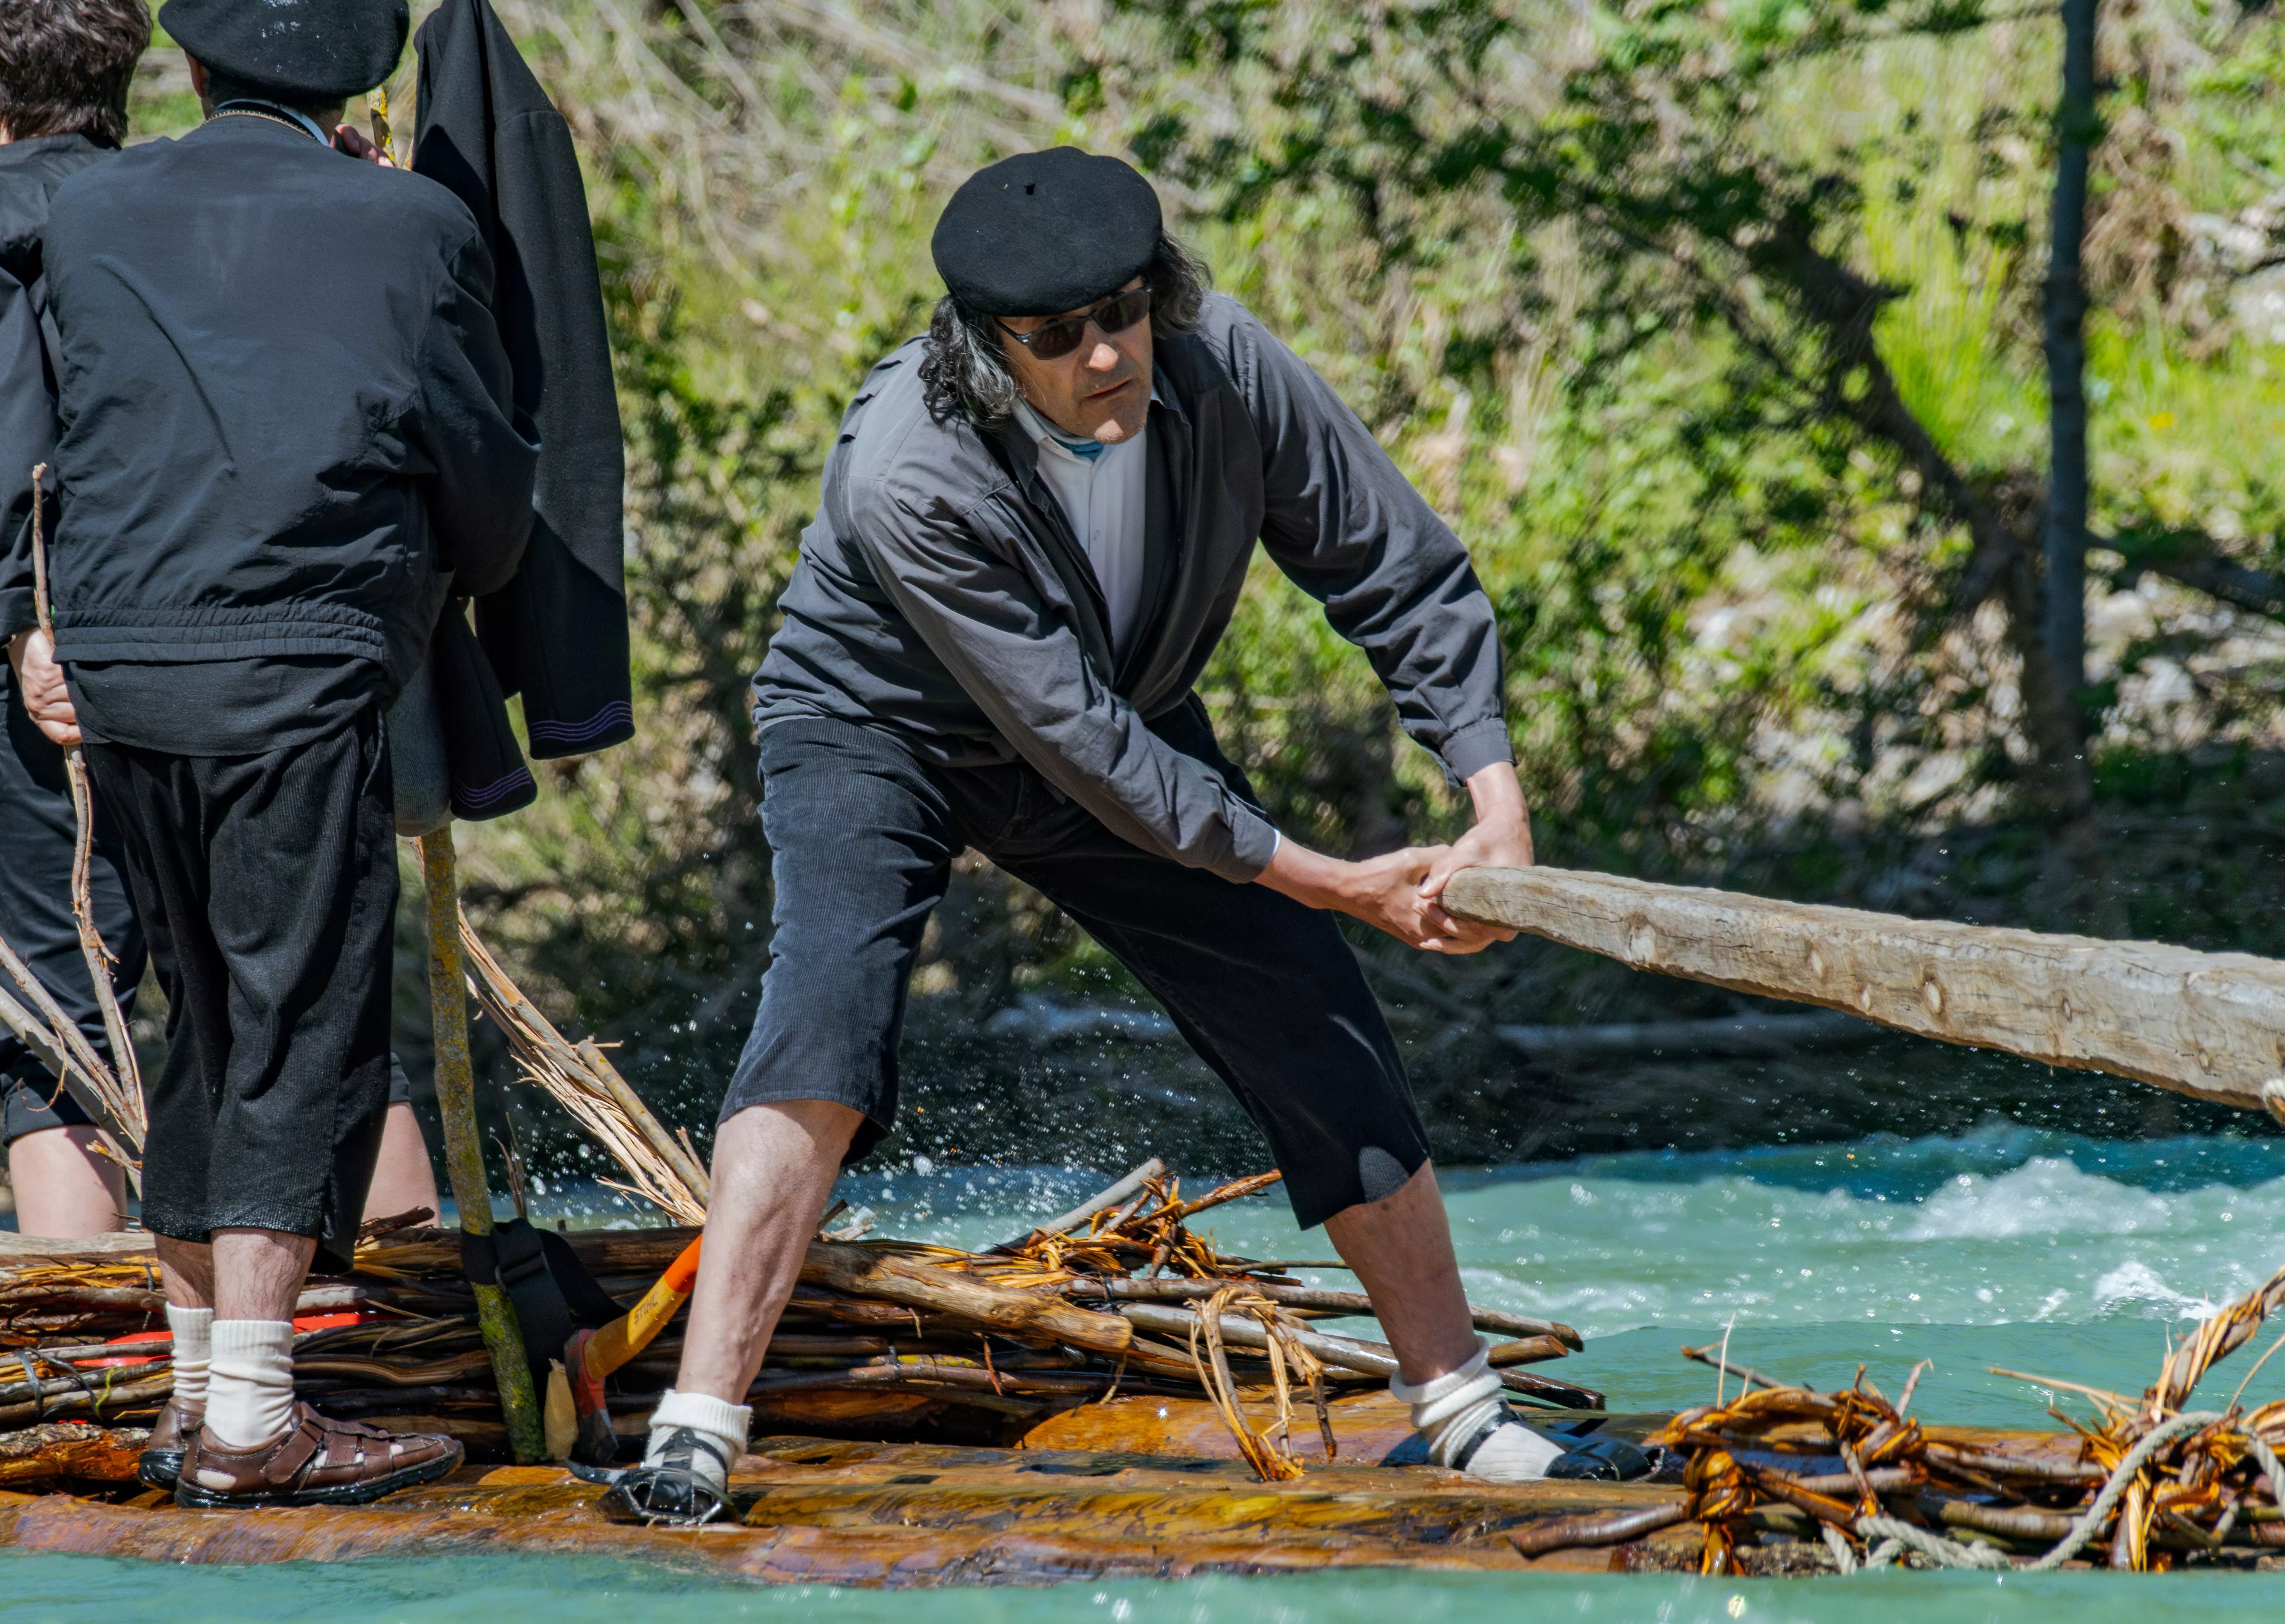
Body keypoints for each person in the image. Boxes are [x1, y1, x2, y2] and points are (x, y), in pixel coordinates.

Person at [609, 148, 1567, 1525]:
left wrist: (1497, 811)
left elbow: (1391, 567)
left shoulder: (1225, 366)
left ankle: (1465, 1409)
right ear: (989, 351)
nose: (1106, 354)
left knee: (1310, 1009)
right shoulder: (907, 470)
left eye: (1125, 311)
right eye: (1058, 337)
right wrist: (1337, 879)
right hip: (885, 728)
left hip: (1118, 708)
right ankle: (696, 1432)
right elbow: (1095, 759)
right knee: (825, 1014)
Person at [30, 0, 536, 1506]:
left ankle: (197, 1397)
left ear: (192, 68)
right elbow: (489, 490)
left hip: (120, 665)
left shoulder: (90, 205)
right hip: (294, 667)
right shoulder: (414, 223)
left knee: (207, 1012)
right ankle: (257, 1419)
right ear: (358, 87)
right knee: (299, 1021)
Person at [0, 0, 443, 1240]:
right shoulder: (171, 199)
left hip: (85, 663)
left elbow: (0, 447)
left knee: (60, 1007)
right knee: (301, 985)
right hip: (258, 653)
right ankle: (395, 1306)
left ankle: (91, 1346)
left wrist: (25, 628)